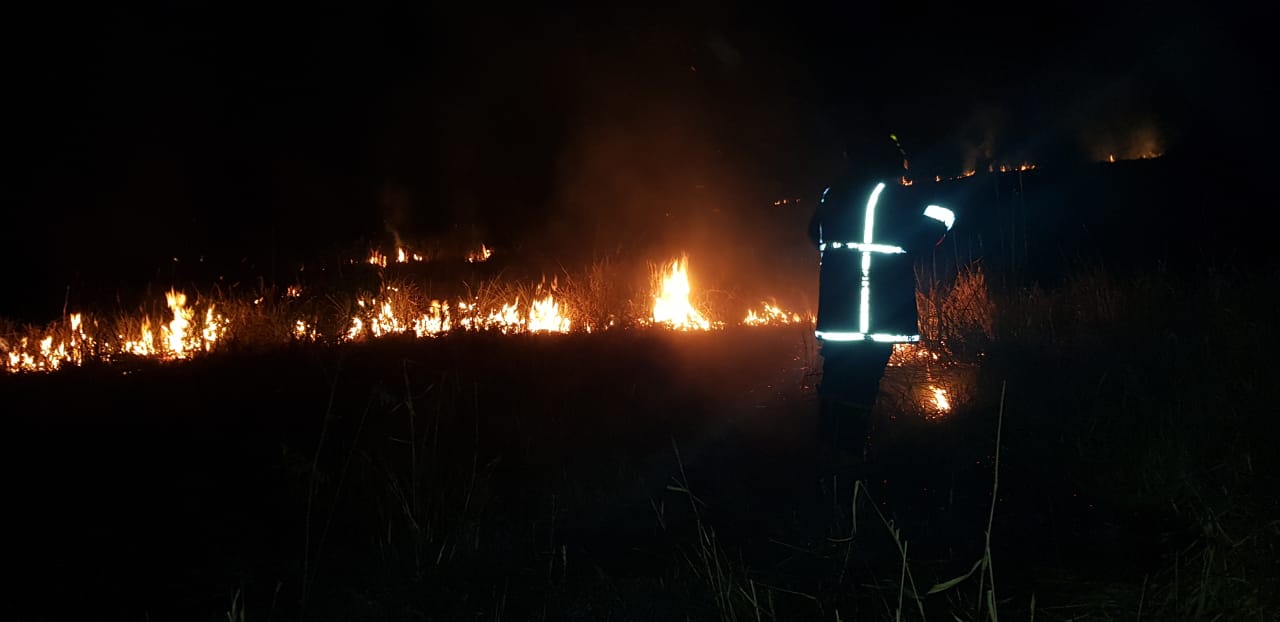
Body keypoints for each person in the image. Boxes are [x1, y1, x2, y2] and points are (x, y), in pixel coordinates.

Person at [808, 131, 956, 465]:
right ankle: (850, 457)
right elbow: (929, 232)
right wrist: (942, 208)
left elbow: (814, 234)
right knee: (862, 385)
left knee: (835, 380)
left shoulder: (832, 194)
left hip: (837, 314)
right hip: (876, 316)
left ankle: (826, 451)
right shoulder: (894, 197)